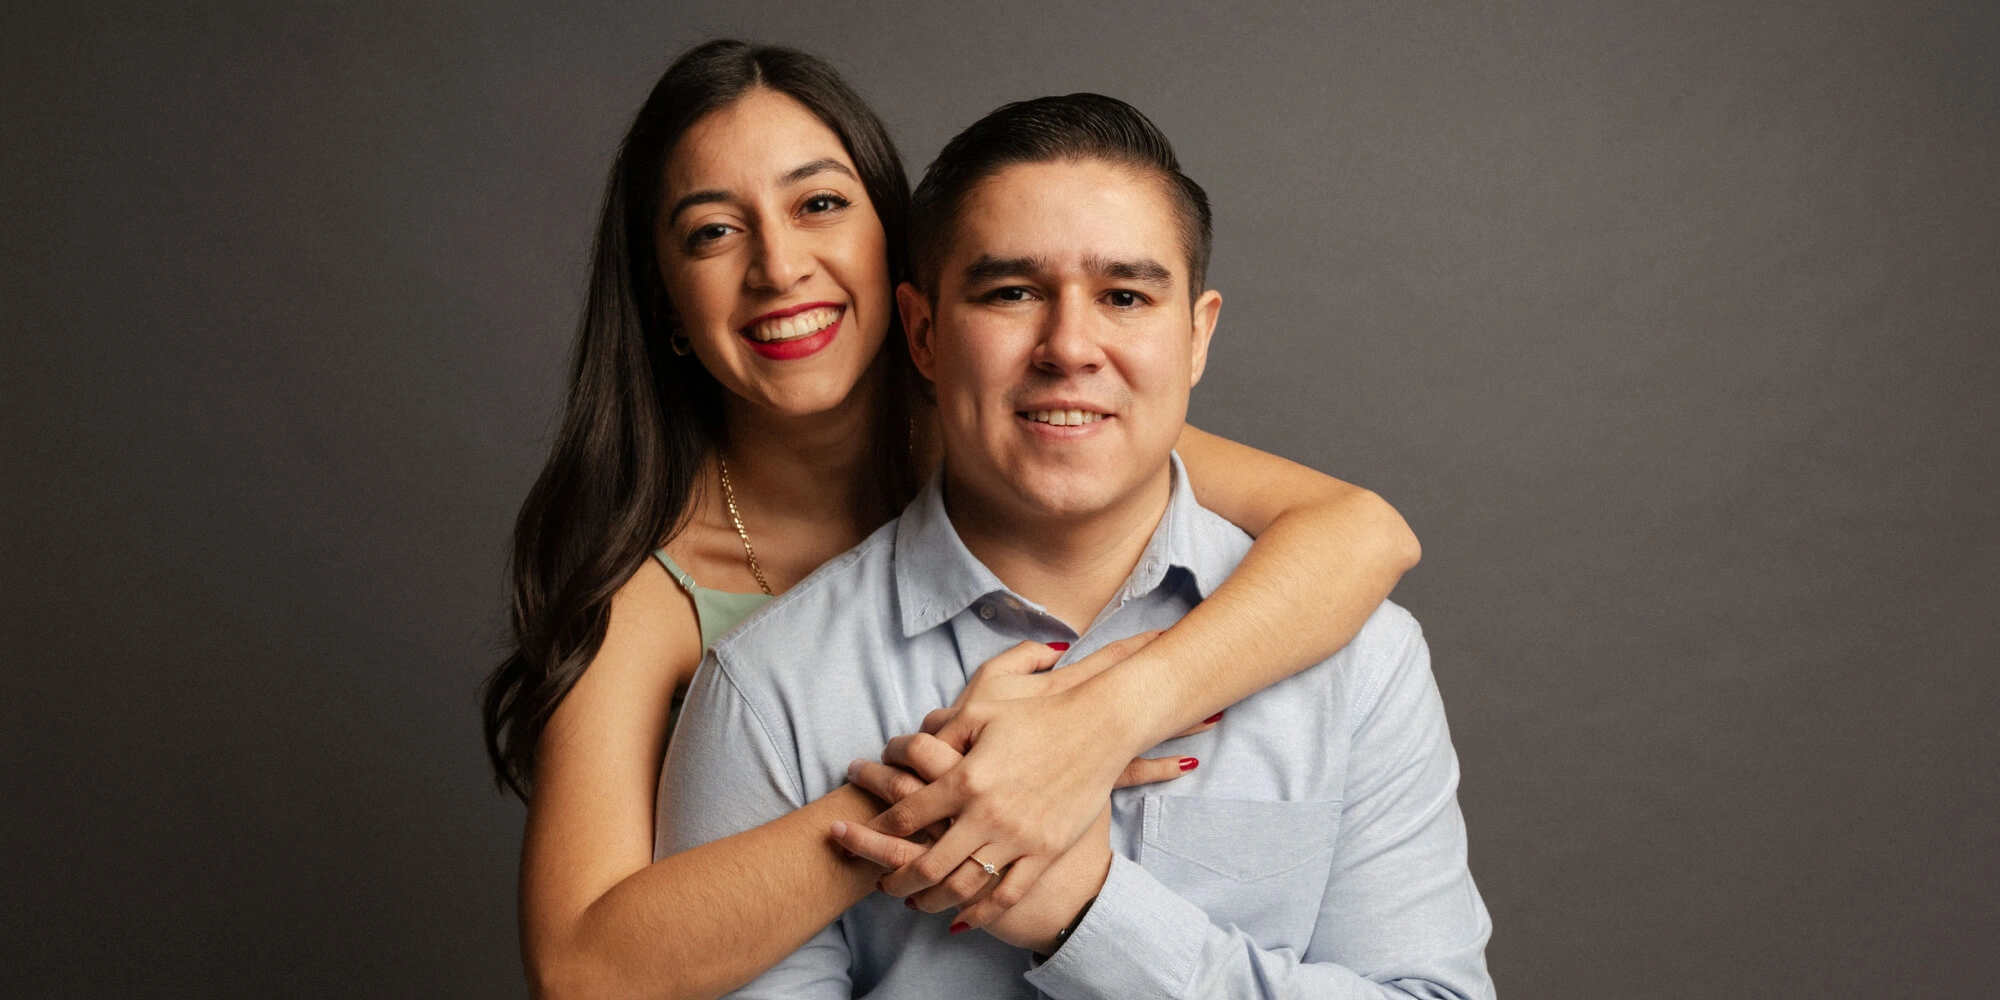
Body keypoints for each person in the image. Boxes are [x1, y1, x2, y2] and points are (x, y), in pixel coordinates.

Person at [482, 41, 1424, 1000]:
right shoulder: (665, 607)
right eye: (714, 231)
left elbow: (1361, 534)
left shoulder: (1032, 431)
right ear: (667, 304)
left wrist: (1096, 723)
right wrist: (961, 796)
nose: (779, 266)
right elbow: (582, 969)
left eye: (819, 204)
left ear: (894, 252)